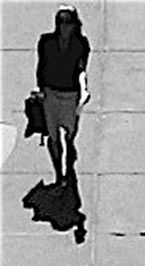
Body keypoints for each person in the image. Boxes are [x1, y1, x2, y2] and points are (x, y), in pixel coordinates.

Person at [36, 5, 90, 186]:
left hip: (70, 95)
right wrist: (41, 90)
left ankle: (69, 159)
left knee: (70, 134)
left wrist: (84, 90)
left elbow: (82, 69)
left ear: (75, 24)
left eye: (68, 22)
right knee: (53, 137)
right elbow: (41, 67)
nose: (64, 26)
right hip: (51, 93)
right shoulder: (46, 42)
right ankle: (60, 173)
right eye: (61, 22)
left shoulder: (81, 44)